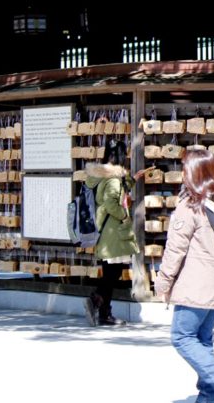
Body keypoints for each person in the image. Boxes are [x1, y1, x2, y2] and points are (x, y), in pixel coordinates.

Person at [154, 150, 214, 403]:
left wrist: (163, 282)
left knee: (182, 337)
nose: (181, 173)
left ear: (193, 173)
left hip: (195, 284)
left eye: (184, 168)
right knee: (203, 340)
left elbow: (175, 250)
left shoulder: (189, 206)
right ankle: (208, 397)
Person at [84, 138, 137, 326]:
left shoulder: (100, 174)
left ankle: (104, 311)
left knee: (111, 271)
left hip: (103, 230)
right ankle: (97, 299)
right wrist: (124, 216)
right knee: (113, 272)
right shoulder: (113, 178)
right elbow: (111, 202)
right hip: (113, 232)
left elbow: (119, 190)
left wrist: (133, 178)